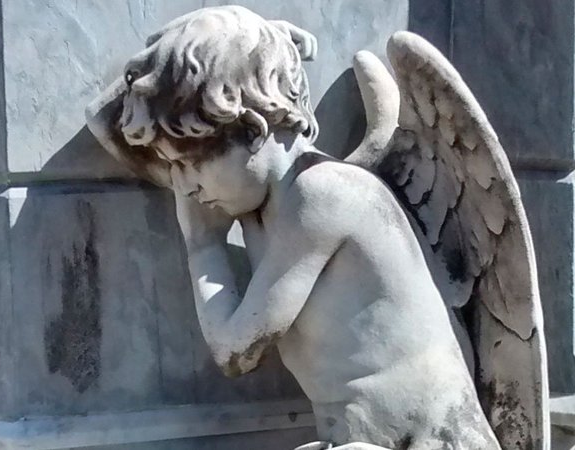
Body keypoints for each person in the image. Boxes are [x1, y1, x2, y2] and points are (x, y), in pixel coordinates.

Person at [89, 6, 500, 449]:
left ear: (252, 130)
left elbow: (236, 350)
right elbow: (102, 119)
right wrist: (247, 44)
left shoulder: (324, 194)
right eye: (173, 167)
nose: (183, 187)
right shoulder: (255, 200)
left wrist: (203, 245)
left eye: (189, 165)